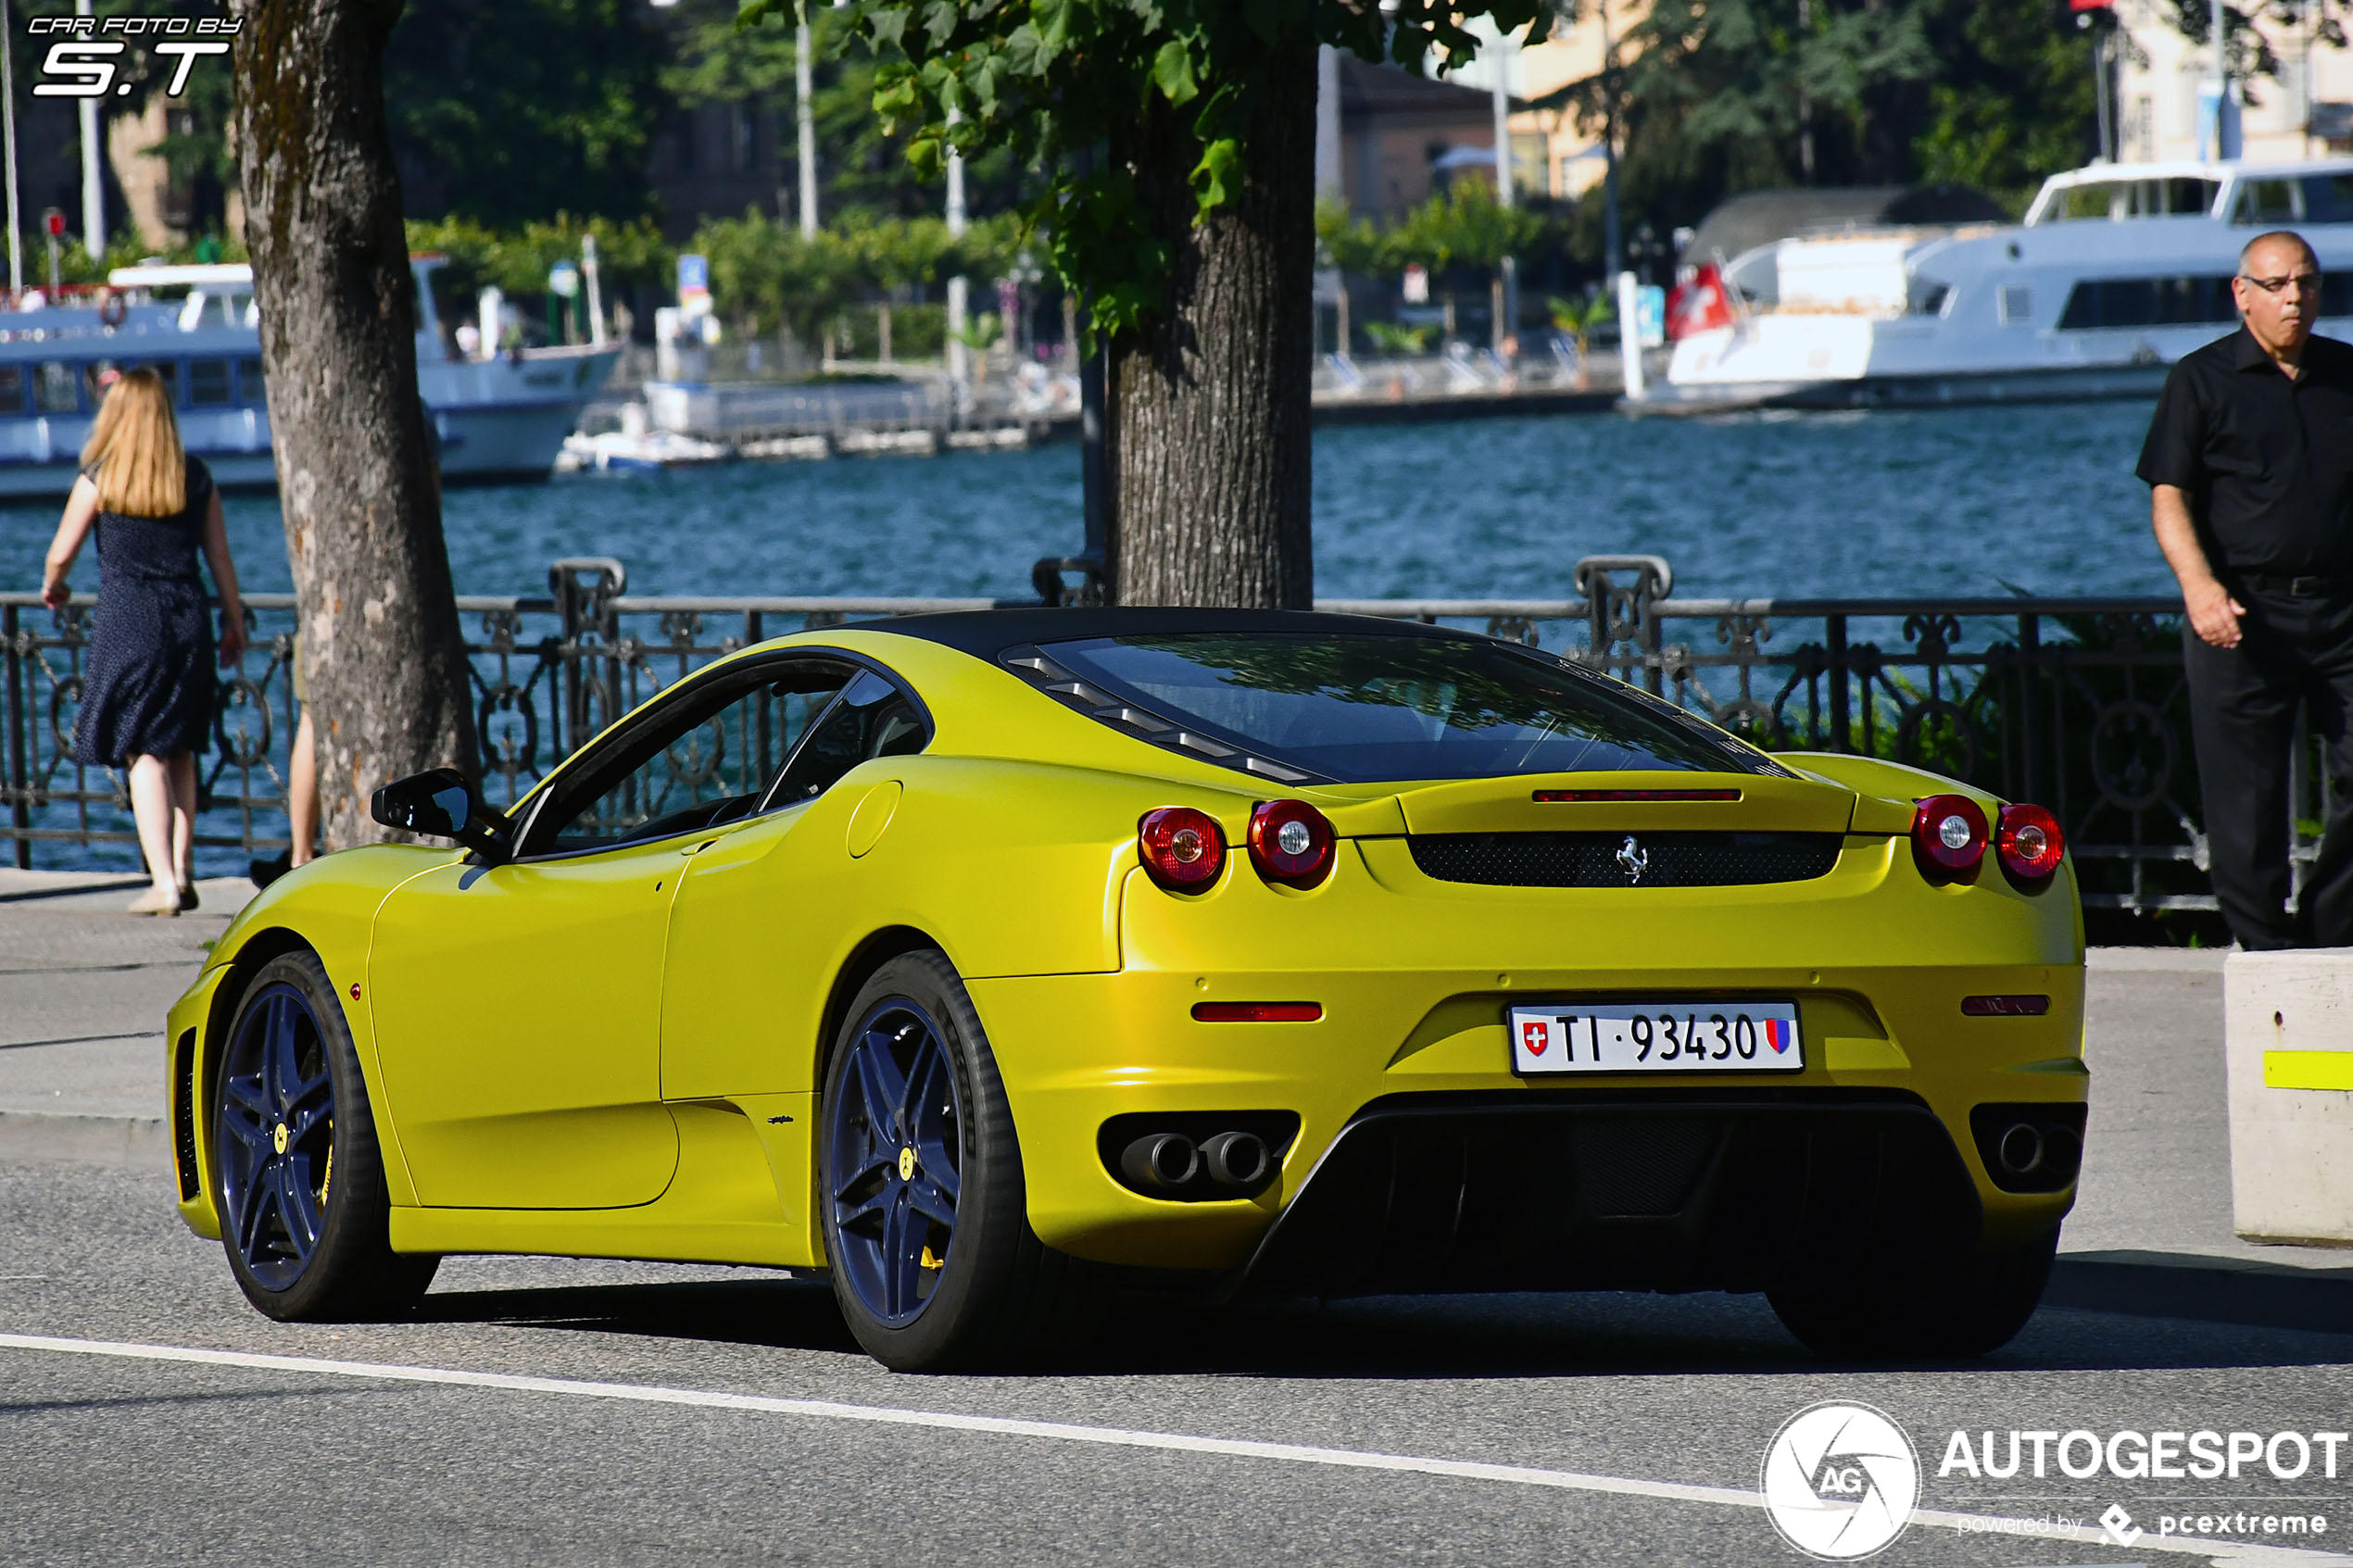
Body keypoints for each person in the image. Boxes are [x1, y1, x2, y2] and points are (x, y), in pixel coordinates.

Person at [2139, 230, 2353, 948]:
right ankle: (2268, 955)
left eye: (2309, 282)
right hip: (2239, 617)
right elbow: (2168, 496)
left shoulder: (2345, 374)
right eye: (2279, 284)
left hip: (2342, 611)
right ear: (2243, 294)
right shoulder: (2199, 381)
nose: (2297, 297)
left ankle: (2329, 929)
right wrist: (2198, 587)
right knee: (2247, 804)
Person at [41, 369, 245, 915]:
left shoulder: (101, 476)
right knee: (178, 746)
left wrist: (52, 587)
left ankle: (162, 882)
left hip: (129, 621)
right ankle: (181, 867)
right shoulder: (195, 477)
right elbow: (219, 558)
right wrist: (235, 622)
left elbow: (62, 551)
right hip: (187, 619)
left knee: (143, 751)